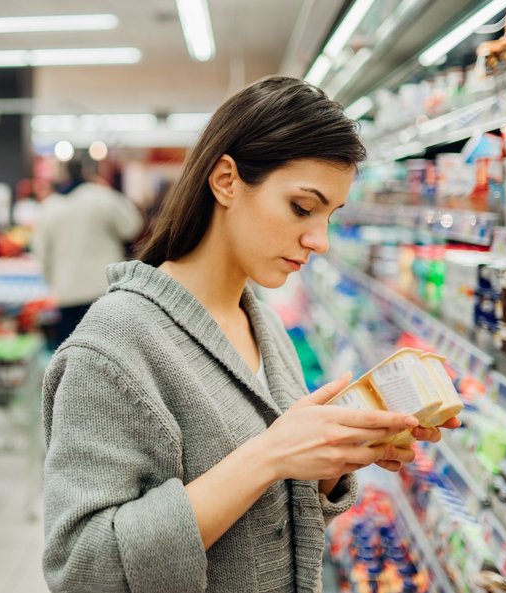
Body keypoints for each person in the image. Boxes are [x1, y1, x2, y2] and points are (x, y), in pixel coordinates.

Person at [41, 77, 461, 593]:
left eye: (330, 215)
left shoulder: (262, 325)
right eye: (303, 208)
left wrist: (332, 459)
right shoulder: (112, 347)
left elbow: (264, 533)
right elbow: (83, 572)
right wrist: (269, 455)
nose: (320, 240)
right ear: (226, 181)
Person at [31, 158, 143, 347]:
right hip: (104, 289)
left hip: (67, 292)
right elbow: (132, 226)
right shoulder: (103, 197)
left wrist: (52, 281)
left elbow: (41, 253)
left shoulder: (49, 207)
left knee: (71, 355)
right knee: (110, 352)